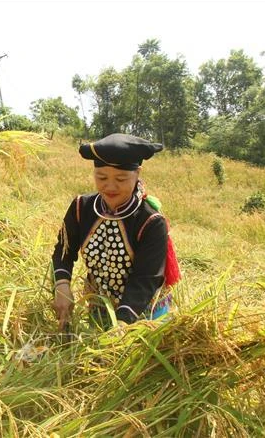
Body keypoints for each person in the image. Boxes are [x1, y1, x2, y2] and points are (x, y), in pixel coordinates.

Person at [50, 133, 180, 332]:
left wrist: (121, 325)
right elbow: (63, 251)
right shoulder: (80, 207)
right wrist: (62, 285)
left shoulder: (151, 221)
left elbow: (145, 278)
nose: (110, 186)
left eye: (121, 178)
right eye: (101, 177)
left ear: (137, 173)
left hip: (144, 313)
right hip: (99, 309)